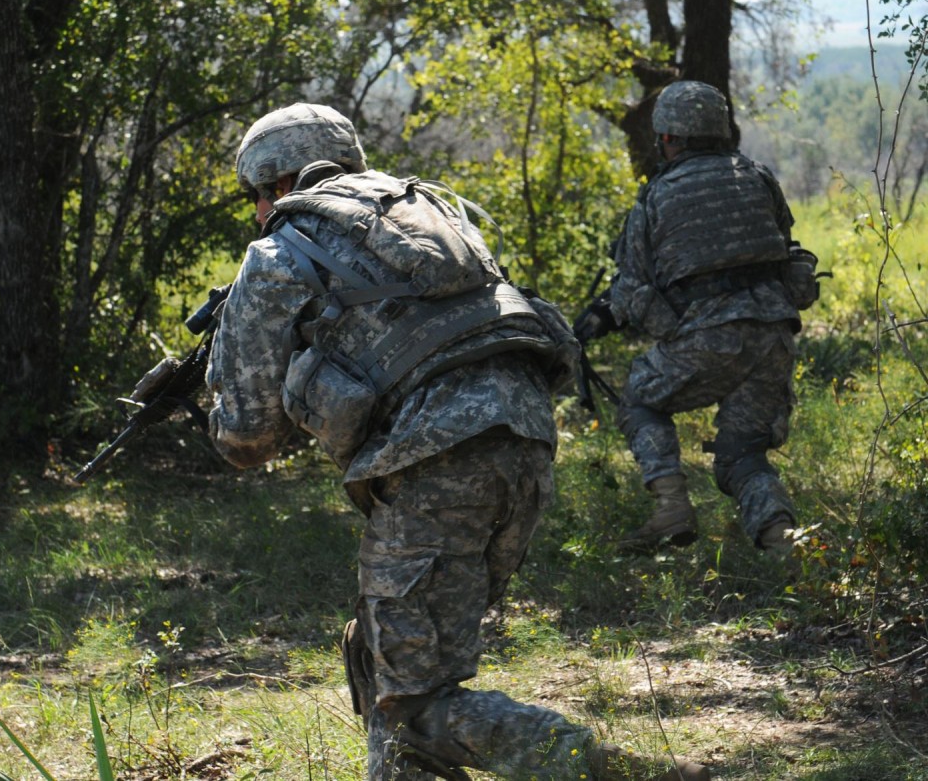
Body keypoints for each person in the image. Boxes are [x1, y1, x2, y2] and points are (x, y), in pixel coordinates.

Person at [206, 101, 710, 781]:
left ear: (271, 191)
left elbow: (245, 436)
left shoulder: (278, 251)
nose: (258, 212)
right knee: (383, 654)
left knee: (418, 706)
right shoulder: (430, 215)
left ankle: (618, 772)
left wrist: (233, 378)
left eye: (255, 198)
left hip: (437, 462)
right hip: (523, 440)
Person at [574, 80, 808, 556]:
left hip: (708, 339)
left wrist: (602, 318)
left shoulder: (657, 195)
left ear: (668, 138)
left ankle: (670, 507)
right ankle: (784, 543)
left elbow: (634, 286)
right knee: (742, 454)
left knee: (640, 397)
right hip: (774, 338)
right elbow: (784, 250)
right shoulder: (757, 176)